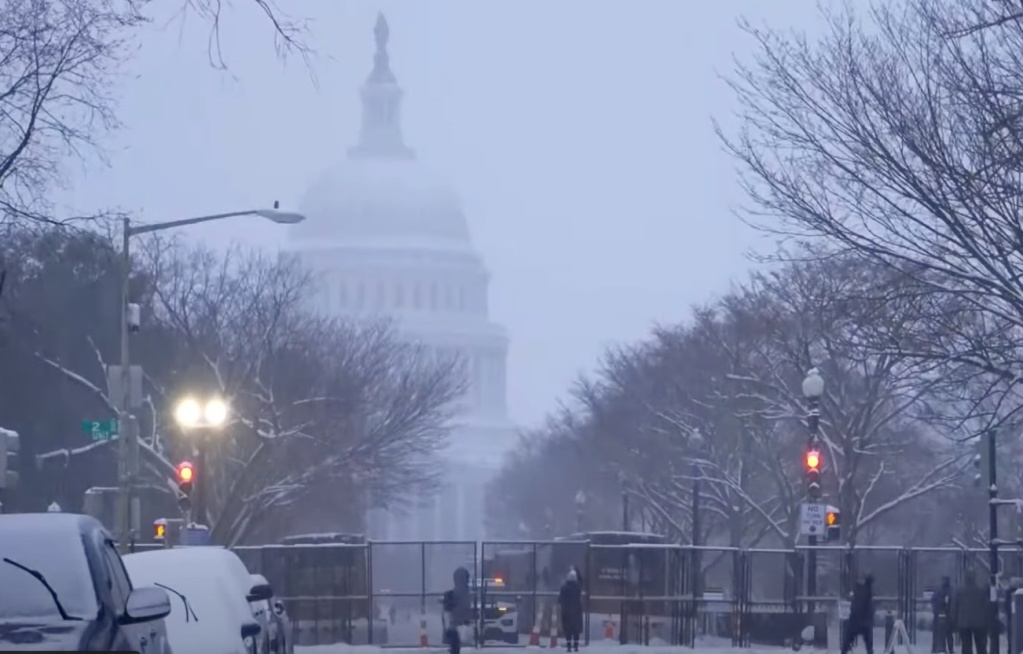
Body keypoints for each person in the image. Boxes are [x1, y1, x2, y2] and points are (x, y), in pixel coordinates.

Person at [952, 570, 988, 654]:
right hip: (979, 623)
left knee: (966, 646)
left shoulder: (959, 591)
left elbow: (954, 606)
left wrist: (954, 619)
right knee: (981, 646)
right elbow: (986, 606)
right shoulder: (980, 591)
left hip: (964, 622)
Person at [841, 574, 875, 654]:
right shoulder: (868, 592)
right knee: (868, 643)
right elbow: (869, 608)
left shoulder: (858, 591)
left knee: (847, 640)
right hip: (864, 621)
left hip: (855, 620)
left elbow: (855, 605)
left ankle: (844, 651)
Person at [443, 567, 473, 654]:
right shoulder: (465, 591)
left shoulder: (459, 591)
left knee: (455, 643)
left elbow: (453, 606)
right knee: (455, 644)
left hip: (458, 623)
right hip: (460, 622)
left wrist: (448, 600)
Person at [559, 569, 584, 652]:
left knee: (568, 630)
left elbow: (560, 599)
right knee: (576, 630)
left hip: (566, 612)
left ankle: (569, 646)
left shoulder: (564, 588)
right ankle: (576, 646)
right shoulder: (578, 588)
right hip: (576, 611)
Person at [931, 577, 954, 654]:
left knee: (939, 632)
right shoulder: (950, 591)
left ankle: (937, 648)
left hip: (939, 614)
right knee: (948, 633)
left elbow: (933, 600)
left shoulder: (939, 591)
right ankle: (949, 649)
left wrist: (936, 610)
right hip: (947, 615)